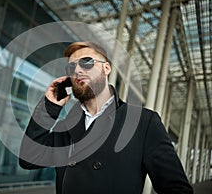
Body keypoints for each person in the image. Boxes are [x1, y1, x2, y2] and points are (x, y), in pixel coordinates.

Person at [19, 41, 193, 194]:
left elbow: (176, 189)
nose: (78, 70)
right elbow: (29, 159)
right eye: (71, 67)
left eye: (86, 62)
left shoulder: (143, 122)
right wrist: (49, 108)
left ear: (106, 68)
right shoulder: (67, 126)